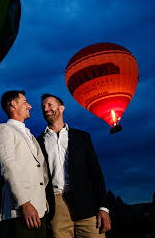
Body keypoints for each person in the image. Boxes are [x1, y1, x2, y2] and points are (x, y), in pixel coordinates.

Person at [36, 93, 112, 238]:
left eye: (49, 104)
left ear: (61, 108)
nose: (46, 109)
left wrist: (103, 208)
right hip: (56, 204)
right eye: (43, 106)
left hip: (85, 202)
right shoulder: (38, 142)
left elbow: (96, 174)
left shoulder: (82, 137)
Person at [0, 90, 49, 238]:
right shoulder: (3, 129)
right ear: (13, 104)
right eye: (25, 102)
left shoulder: (30, 135)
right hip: (22, 210)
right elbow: (8, 166)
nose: (30, 106)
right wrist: (24, 203)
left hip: (40, 209)